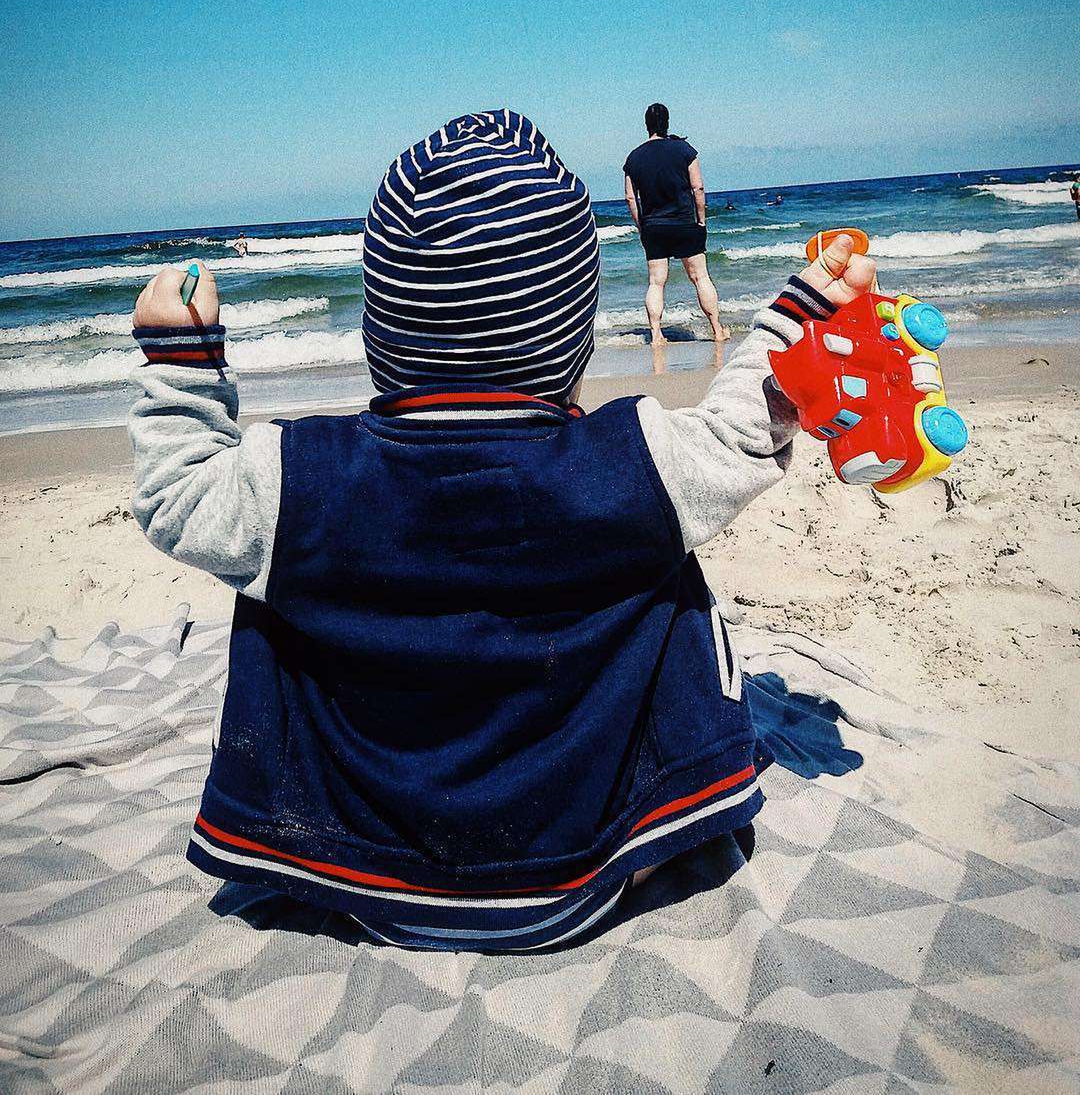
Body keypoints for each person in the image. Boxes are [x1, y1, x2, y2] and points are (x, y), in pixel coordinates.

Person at [128, 109, 875, 953]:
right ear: (569, 329)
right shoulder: (629, 463)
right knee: (665, 564)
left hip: (356, 875)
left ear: (384, 328)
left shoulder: (303, 477)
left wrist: (181, 366)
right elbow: (743, 426)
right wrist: (796, 314)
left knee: (277, 573)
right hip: (592, 867)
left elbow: (176, 496)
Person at [623, 103, 729, 344]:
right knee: (701, 278)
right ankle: (717, 329)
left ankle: (656, 334)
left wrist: (642, 226)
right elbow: (698, 188)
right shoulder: (684, 150)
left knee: (656, 282)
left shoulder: (634, 157)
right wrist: (701, 220)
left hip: (654, 228)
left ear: (646, 125)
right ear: (667, 122)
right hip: (684, 223)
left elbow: (630, 197)